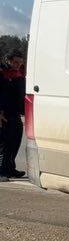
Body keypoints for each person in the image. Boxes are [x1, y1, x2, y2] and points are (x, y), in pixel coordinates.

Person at [0, 51, 27, 180]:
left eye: (20, 62)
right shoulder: (2, 73)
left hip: (16, 114)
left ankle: (10, 169)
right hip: (4, 115)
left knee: (15, 142)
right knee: (4, 145)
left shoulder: (18, 74)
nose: (18, 65)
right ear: (8, 60)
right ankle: (1, 172)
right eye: (15, 62)